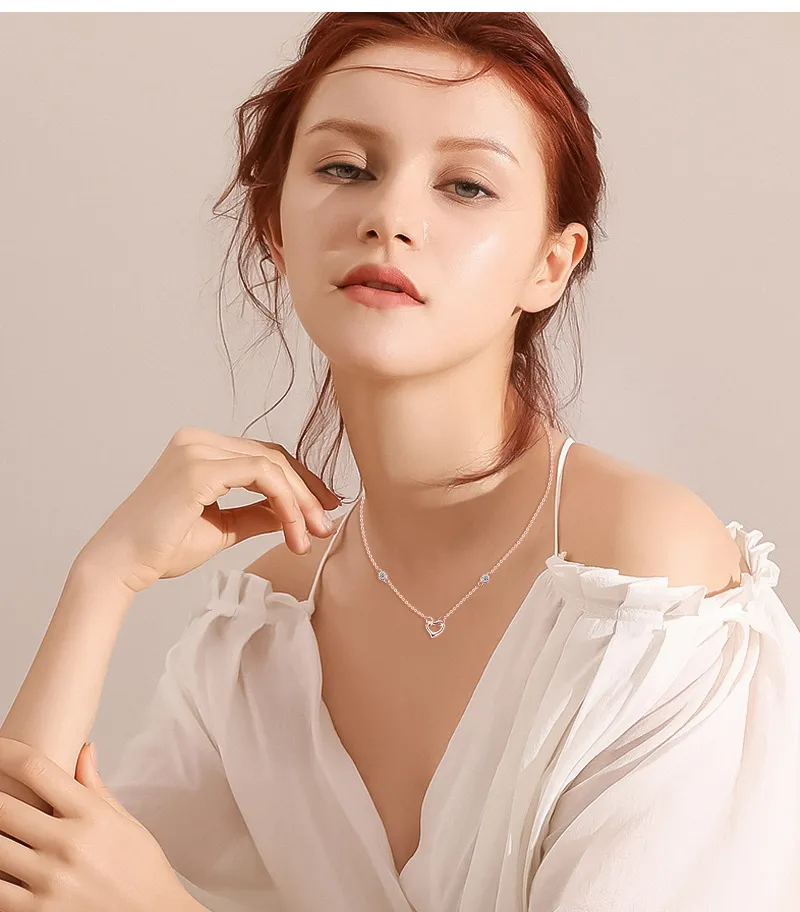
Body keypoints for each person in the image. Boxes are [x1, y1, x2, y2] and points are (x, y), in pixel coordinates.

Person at [1, 13, 798, 912]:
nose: (388, 217)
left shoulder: (645, 583)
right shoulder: (266, 635)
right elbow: (26, 879)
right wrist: (104, 577)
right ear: (275, 225)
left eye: (465, 185)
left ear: (550, 264)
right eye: (345, 168)